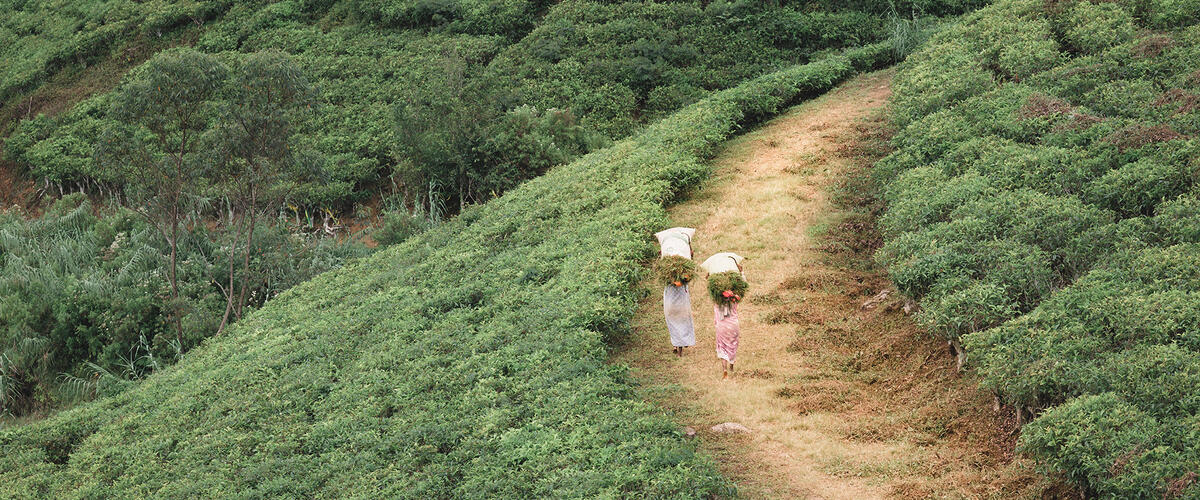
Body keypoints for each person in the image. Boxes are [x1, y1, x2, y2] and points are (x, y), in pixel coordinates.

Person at [700, 252, 745, 379]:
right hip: (734, 325)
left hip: (721, 326)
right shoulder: (734, 300)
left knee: (722, 346)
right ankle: (731, 365)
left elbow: (711, 289)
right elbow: (742, 286)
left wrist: (708, 278)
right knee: (733, 344)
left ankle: (724, 369)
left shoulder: (716, 301)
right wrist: (741, 273)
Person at [655, 228, 697, 356]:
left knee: (673, 317)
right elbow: (690, 262)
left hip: (672, 296)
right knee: (681, 317)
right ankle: (679, 343)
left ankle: (677, 344)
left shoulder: (669, 275)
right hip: (678, 295)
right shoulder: (682, 276)